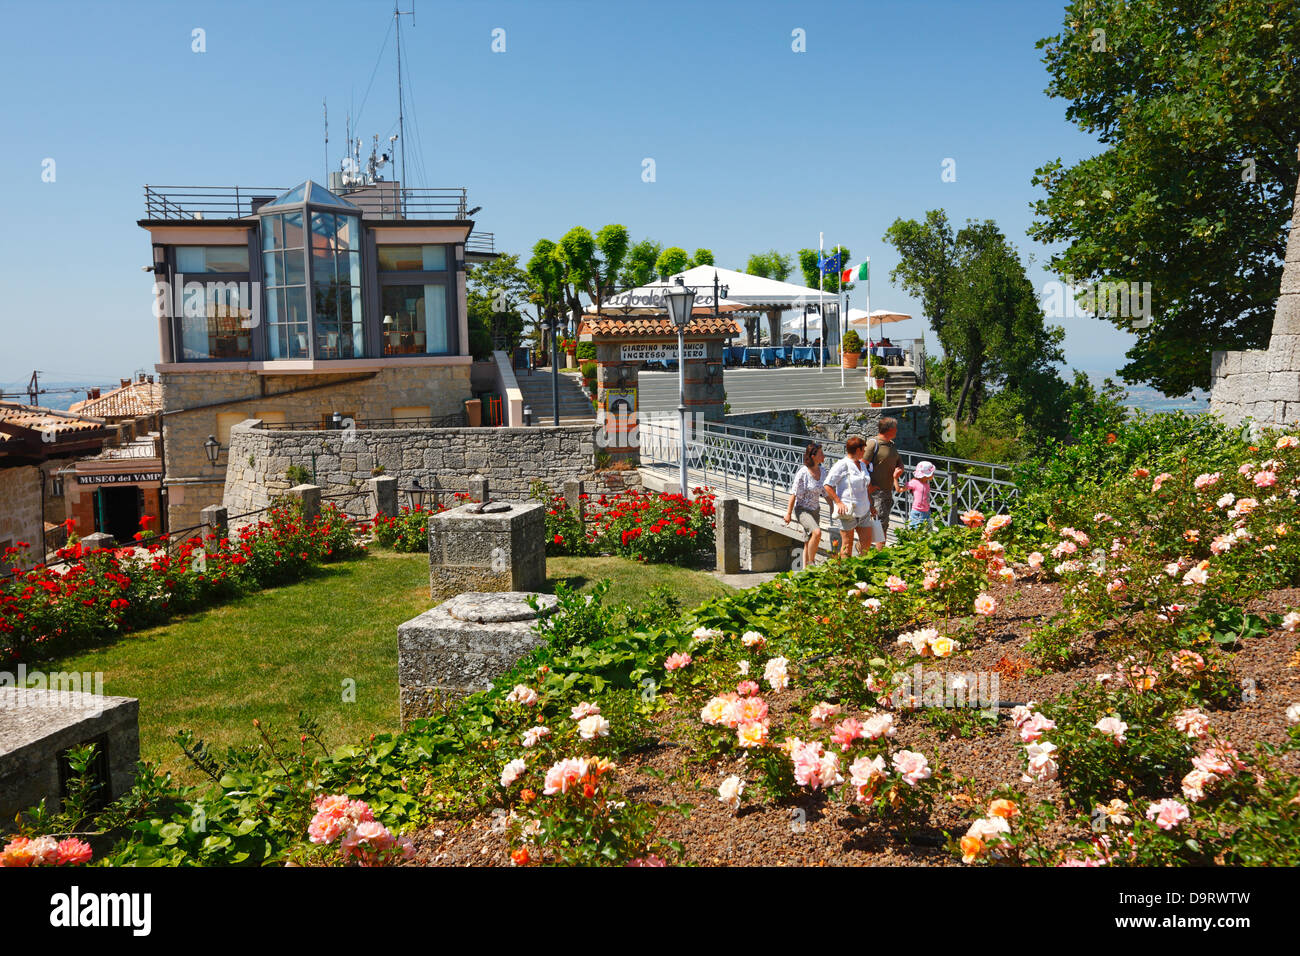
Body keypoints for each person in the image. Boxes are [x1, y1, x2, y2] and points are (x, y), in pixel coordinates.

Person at [823, 435, 877, 557]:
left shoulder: (862, 465)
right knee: (847, 545)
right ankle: (845, 573)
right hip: (848, 512)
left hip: (864, 511)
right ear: (858, 450)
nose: (864, 452)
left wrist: (871, 506)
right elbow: (827, 485)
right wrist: (838, 502)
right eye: (863, 450)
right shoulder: (842, 464)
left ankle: (861, 570)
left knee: (866, 544)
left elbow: (865, 488)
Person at [782, 442, 826, 569]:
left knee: (808, 540)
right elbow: (794, 493)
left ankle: (805, 570)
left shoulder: (823, 471)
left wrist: (835, 506)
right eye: (821, 453)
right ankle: (811, 562)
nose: (824, 455)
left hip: (815, 510)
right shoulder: (803, 473)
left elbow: (825, 492)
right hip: (802, 510)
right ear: (813, 456)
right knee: (816, 533)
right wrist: (789, 513)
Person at [863, 418, 904, 548]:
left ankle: (864, 547)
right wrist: (869, 486)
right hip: (876, 492)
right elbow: (861, 466)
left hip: (887, 491)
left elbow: (899, 461)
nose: (897, 431)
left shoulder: (891, 444)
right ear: (890, 430)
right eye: (896, 428)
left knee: (882, 523)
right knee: (880, 523)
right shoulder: (873, 444)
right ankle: (879, 554)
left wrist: (900, 470)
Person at [900, 460, 936, 530]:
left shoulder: (926, 483)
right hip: (918, 513)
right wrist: (895, 478)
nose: (933, 474)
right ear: (925, 475)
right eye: (932, 473)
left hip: (927, 512)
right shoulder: (914, 482)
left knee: (926, 535)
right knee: (917, 534)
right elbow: (899, 489)